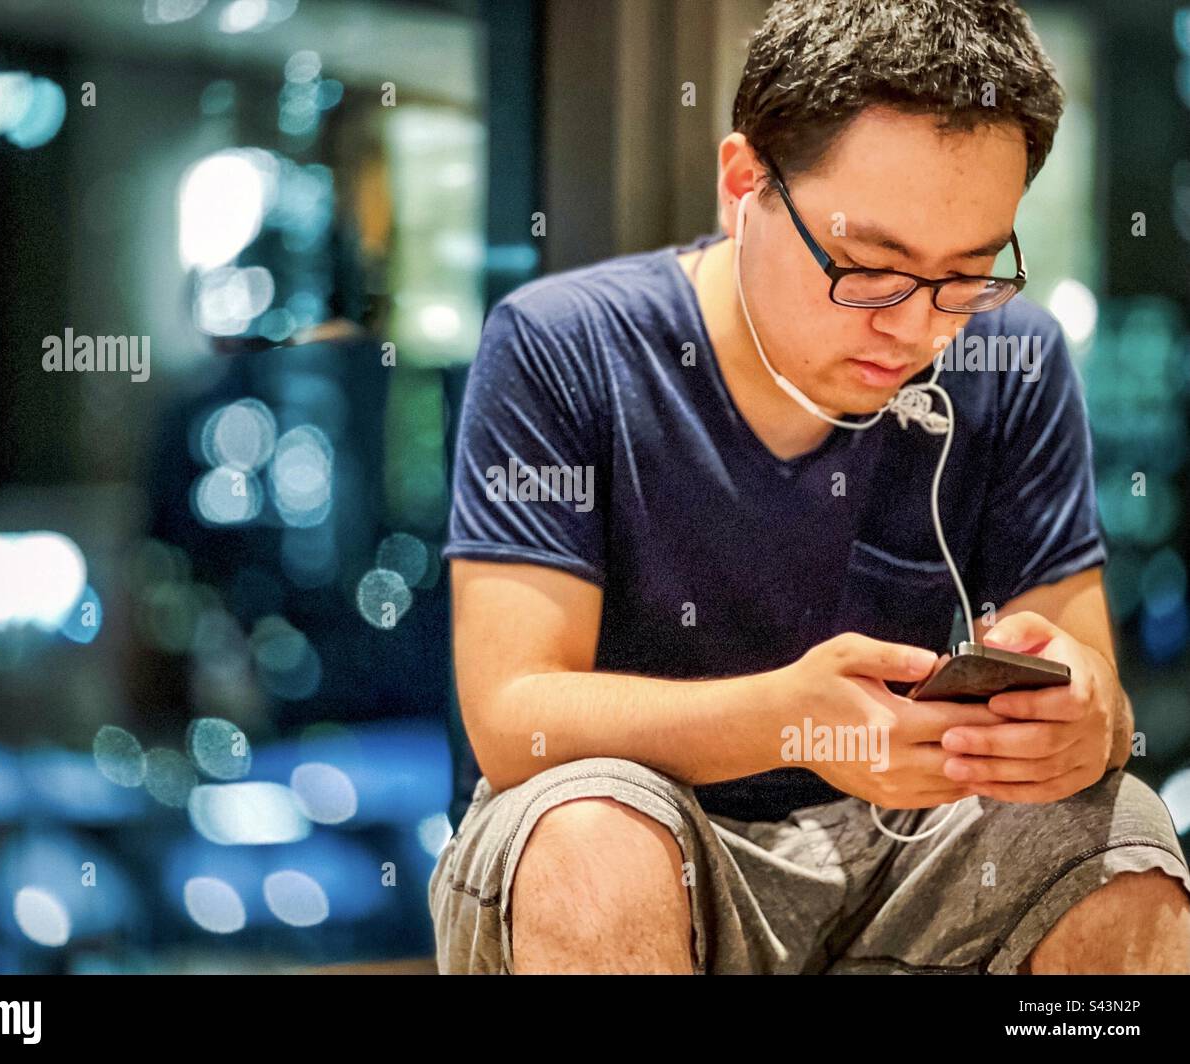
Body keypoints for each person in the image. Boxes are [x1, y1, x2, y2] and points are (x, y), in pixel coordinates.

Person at [428, 0, 1190, 974]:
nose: (918, 331)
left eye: (966, 276)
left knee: (1118, 828)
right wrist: (796, 718)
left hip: (909, 848)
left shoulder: (1014, 362)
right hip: (651, 831)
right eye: (869, 269)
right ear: (742, 183)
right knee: (591, 840)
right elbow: (513, 714)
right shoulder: (564, 347)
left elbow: (1098, 698)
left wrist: (1082, 719)